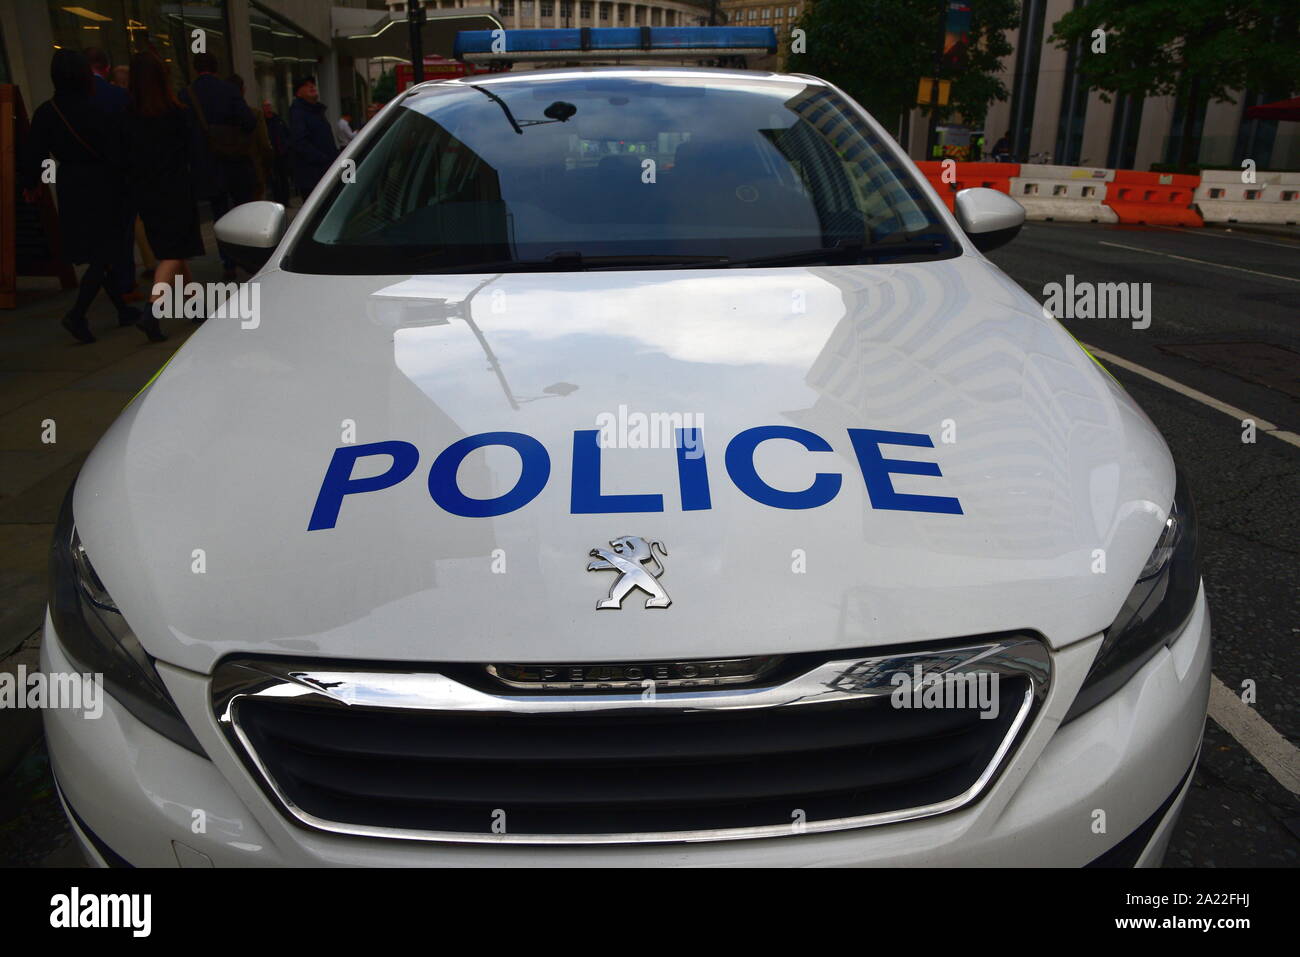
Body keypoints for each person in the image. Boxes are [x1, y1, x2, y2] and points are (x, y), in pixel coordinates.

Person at [19, 49, 152, 343]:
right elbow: (128, 146)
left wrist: (35, 184)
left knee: (97, 253)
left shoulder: (47, 111)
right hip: (108, 183)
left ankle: (121, 309)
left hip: (72, 186)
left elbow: (35, 156)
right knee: (106, 253)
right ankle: (77, 314)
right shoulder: (105, 105)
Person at [126, 50, 206, 334]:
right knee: (173, 252)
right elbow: (193, 152)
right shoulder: (176, 112)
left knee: (174, 250)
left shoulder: (127, 114)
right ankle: (153, 309)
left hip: (145, 191)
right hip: (175, 188)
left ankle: (194, 305)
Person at [179, 52, 256, 280]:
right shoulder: (228, 91)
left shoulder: (187, 94)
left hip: (206, 162)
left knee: (219, 212)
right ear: (216, 68)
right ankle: (247, 255)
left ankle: (227, 260)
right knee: (241, 208)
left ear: (195, 69)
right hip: (234, 160)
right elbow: (248, 121)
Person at [288, 75, 337, 198]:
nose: (311, 86)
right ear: (298, 93)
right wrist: (324, 159)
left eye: (313, 84)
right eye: (306, 85)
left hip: (325, 173)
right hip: (313, 177)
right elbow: (300, 142)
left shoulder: (316, 111)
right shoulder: (298, 112)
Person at [262, 100, 292, 206]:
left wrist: (286, 145)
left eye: (269, 106)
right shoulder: (263, 121)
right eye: (266, 106)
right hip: (271, 154)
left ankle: (286, 200)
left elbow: (286, 133)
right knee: (275, 179)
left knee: (284, 178)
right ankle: (278, 200)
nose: (268, 108)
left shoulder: (278, 119)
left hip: (282, 153)